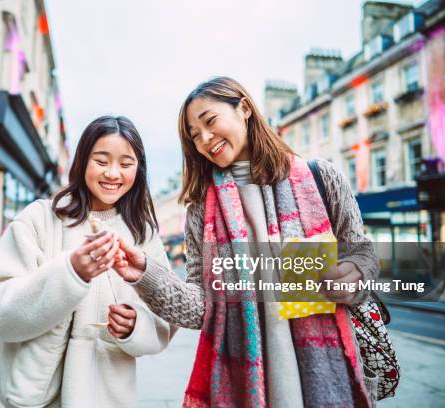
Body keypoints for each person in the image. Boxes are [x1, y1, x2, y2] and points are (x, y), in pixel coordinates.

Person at [113, 77, 379, 407]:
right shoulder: (200, 212)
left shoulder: (321, 177)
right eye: (194, 136)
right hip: (243, 379)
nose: (205, 140)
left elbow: (360, 248)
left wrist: (354, 270)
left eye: (209, 122)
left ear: (245, 108)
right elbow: (201, 308)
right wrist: (146, 273)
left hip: (325, 369)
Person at [0, 116, 172, 408]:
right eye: (101, 161)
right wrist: (71, 273)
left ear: (139, 170)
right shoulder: (40, 218)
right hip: (40, 393)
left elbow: (164, 313)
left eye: (126, 164)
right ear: (81, 161)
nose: (113, 173)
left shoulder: (144, 234)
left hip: (109, 394)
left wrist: (135, 325)